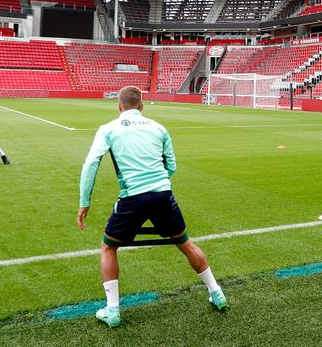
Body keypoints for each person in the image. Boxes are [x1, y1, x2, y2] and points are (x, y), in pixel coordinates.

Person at [78, 86, 226, 326]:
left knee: (108, 248)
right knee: (185, 242)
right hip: (162, 195)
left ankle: (112, 311)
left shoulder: (108, 129)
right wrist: (157, 185)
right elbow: (172, 166)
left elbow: (91, 163)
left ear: (119, 106)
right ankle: (217, 294)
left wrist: (84, 202)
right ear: (142, 106)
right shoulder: (159, 127)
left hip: (132, 197)